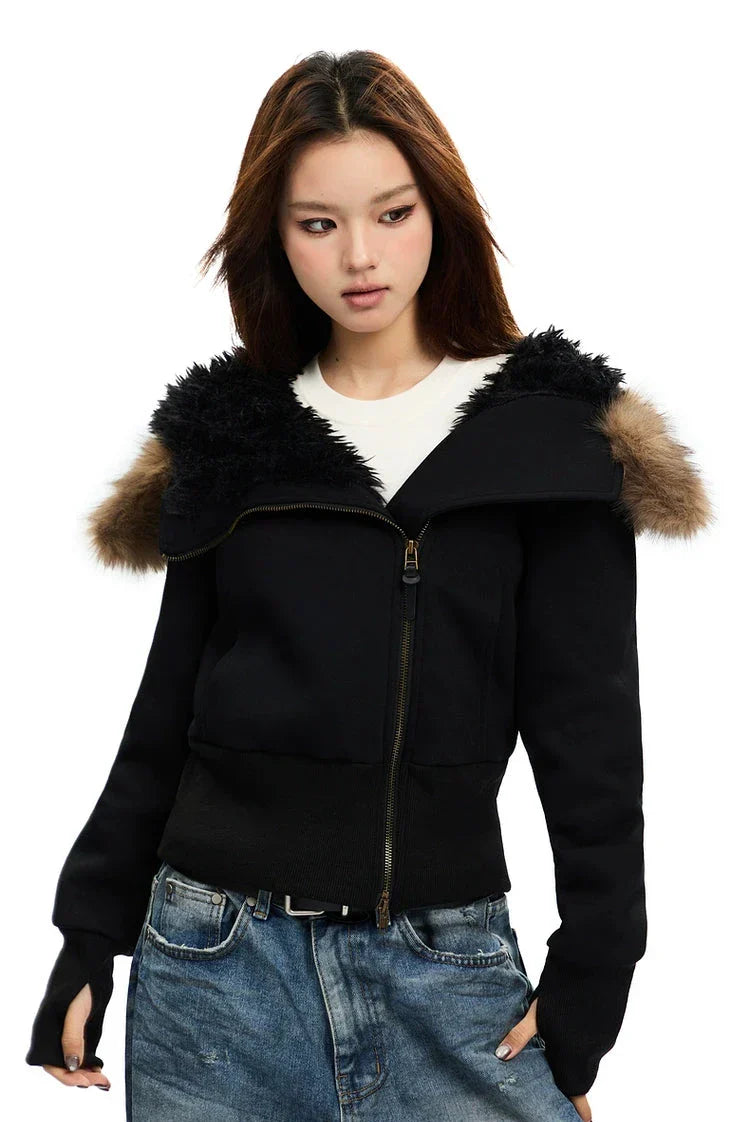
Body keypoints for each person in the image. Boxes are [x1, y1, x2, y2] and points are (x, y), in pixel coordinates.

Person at [25, 49, 714, 1122]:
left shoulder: (547, 438)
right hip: (211, 973)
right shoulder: (237, 434)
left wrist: (599, 962)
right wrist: (87, 935)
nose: (360, 256)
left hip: (446, 969)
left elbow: (589, 731)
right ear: (274, 235)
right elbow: (167, 708)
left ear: (441, 210)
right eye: (319, 223)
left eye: (393, 214)